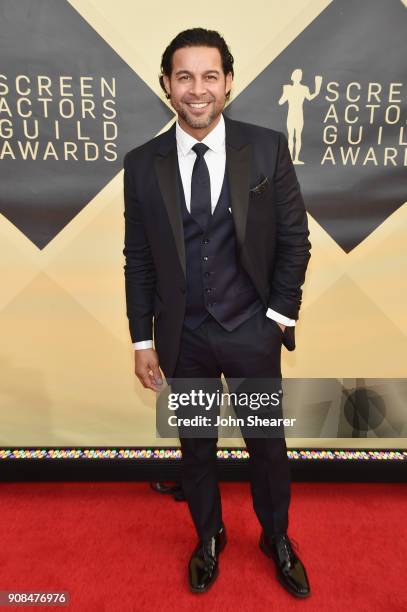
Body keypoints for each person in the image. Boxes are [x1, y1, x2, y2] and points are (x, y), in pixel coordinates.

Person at [123, 28, 312, 597]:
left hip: (251, 329)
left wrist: (278, 317)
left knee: (268, 448)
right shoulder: (141, 164)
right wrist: (141, 341)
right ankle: (208, 535)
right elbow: (138, 258)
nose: (197, 89)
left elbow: (294, 239)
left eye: (210, 76)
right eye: (184, 77)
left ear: (229, 82)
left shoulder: (266, 147)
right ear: (166, 85)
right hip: (184, 335)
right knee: (196, 447)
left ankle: (277, 536)